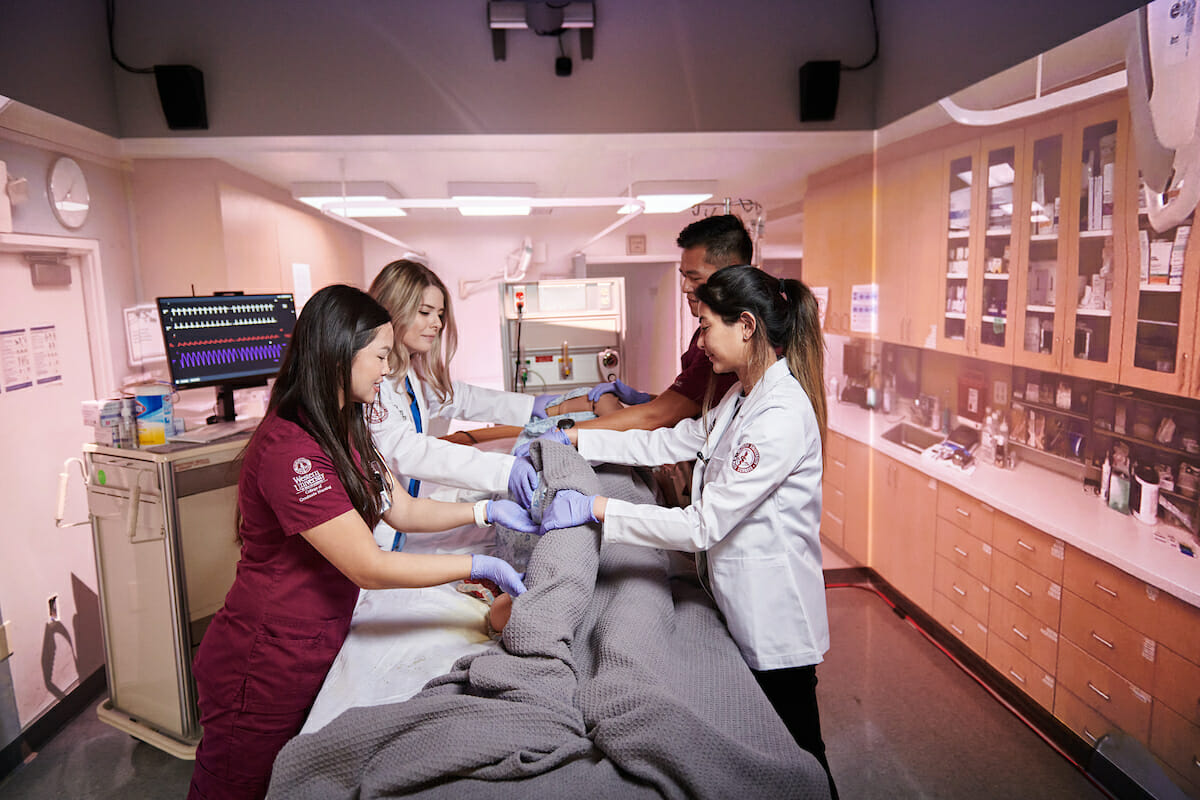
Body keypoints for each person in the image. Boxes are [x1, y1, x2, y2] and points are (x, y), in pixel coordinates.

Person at [187, 284, 533, 800]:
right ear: (337, 356)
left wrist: (487, 510)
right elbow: (368, 565)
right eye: (380, 357)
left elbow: (404, 509)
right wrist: (476, 567)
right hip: (265, 657)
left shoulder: (347, 425)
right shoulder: (293, 450)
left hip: (315, 640)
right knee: (238, 788)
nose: (388, 370)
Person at [538, 265, 838, 798]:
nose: (700, 343)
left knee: (799, 759)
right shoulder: (741, 396)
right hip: (740, 600)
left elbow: (703, 524)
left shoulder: (780, 414)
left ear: (746, 325)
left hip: (777, 621)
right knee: (767, 755)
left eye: (705, 326)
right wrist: (577, 440)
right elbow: (668, 442)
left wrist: (599, 508)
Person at [367, 259, 601, 550]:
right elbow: (409, 452)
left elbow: (457, 397)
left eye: (439, 314)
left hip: (406, 523)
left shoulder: (408, 372)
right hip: (384, 535)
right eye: (425, 312)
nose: (437, 324)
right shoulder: (373, 384)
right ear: (392, 309)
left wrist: (530, 407)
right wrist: (505, 470)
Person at [575, 214, 752, 432]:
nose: (685, 287)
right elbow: (690, 411)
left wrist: (568, 434)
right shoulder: (704, 336)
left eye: (695, 278)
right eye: (684, 276)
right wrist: (644, 400)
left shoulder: (727, 344)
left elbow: (660, 416)